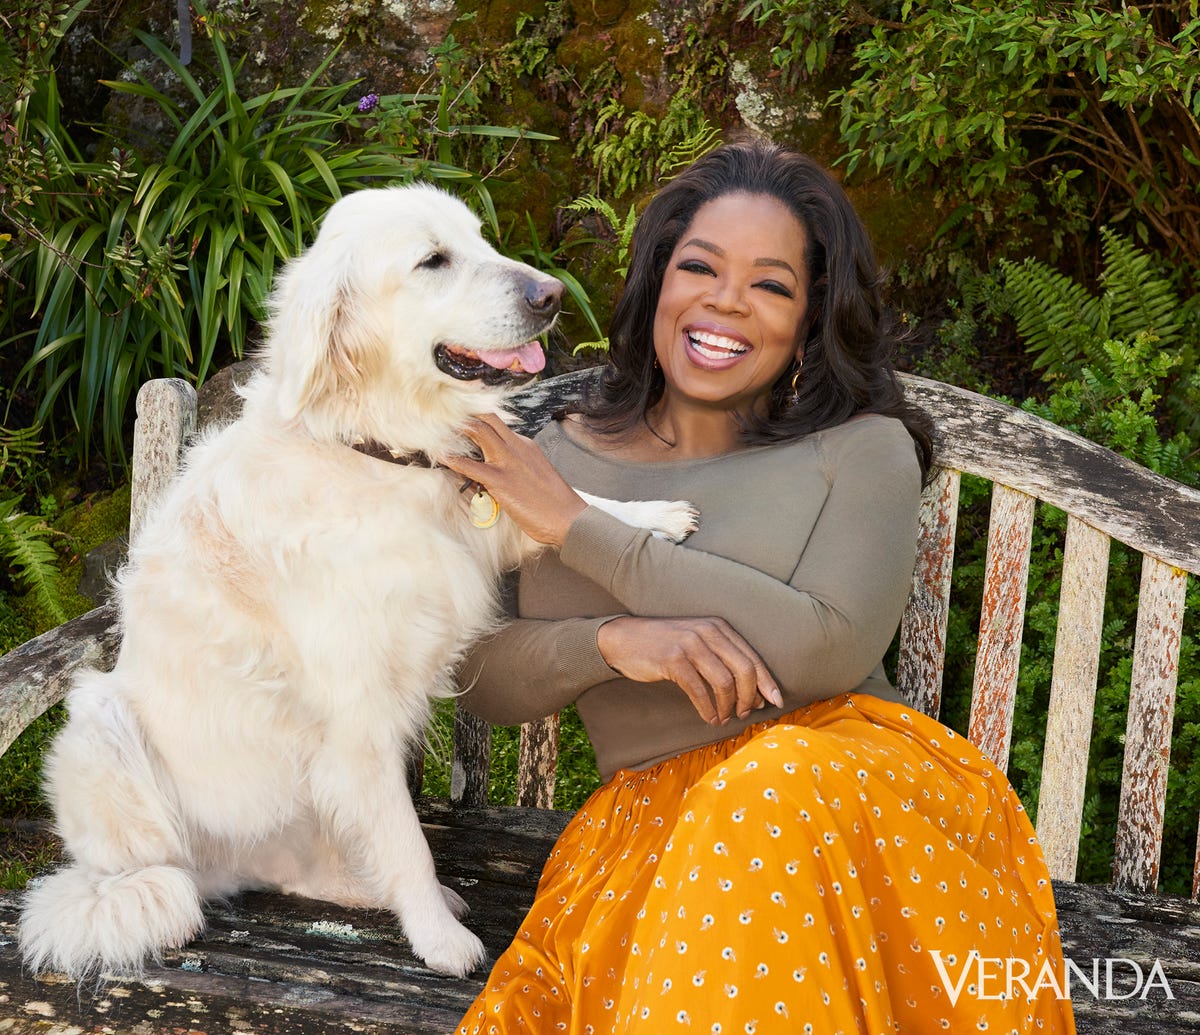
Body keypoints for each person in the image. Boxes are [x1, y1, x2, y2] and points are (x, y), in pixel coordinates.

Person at [443, 140, 1076, 1034]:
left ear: (813, 316)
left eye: (772, 285)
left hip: (854, 802)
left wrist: (579, 530)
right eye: (698, 266)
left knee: (768, 780)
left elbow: (825, 645)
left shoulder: (861, 449)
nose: (726, 302)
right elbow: (477, 670)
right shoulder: (560, 455)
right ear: (657, 283)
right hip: (657, 832)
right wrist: (612, 644)